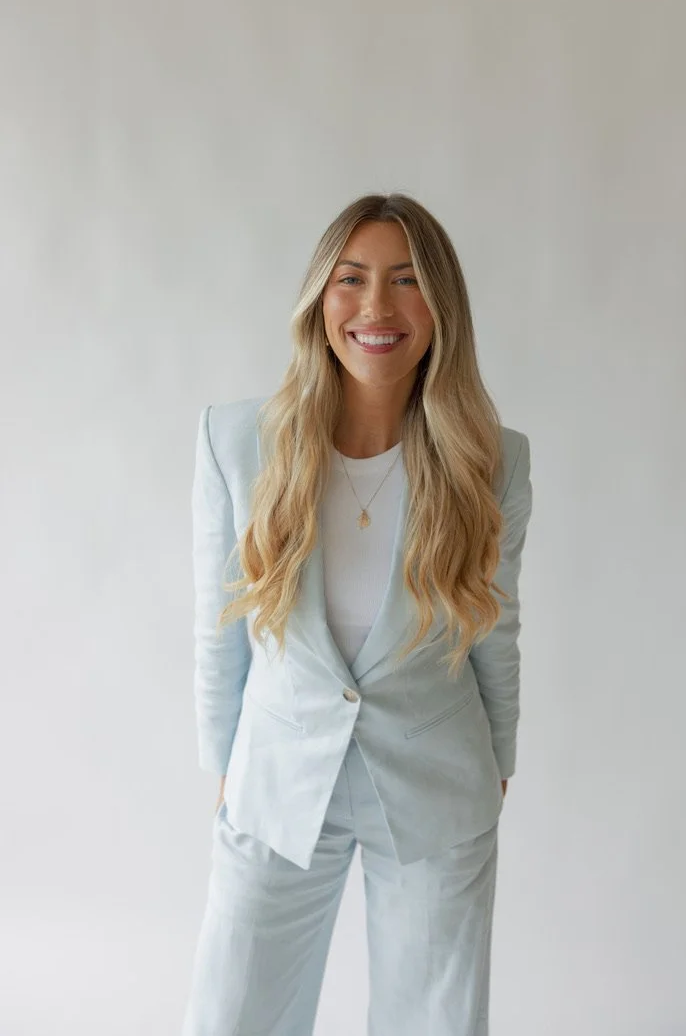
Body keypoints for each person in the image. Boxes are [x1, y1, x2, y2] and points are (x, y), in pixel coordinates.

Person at [181, 192, 533, 1035]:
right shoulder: (237, 442)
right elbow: (218, 627)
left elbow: (495, 621)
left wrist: (501, 755)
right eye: (353, 279)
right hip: (274, 779)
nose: (377, 308)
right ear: (320, 299)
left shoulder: (490, 460)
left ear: (440, 308)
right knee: (233, 1015)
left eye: (408, 281)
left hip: (434, 783)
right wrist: (224, 767)